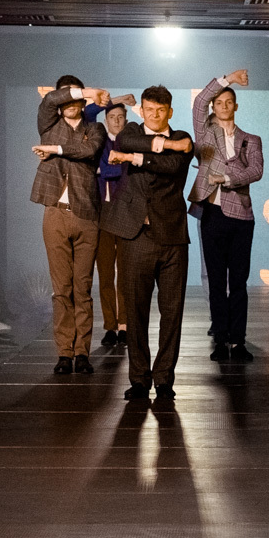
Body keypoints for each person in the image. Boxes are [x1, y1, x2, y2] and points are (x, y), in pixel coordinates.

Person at [103, 85, 194, 405]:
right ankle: (139, 379)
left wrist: (134, 158)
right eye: (149, 110)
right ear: (141, 110)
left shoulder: (184, 137)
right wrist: (162, 146)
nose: (155, 115)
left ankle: (164, 379)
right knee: (136, 312)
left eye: (161, 110)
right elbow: (126, 141)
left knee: (172, 312)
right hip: (135, 234)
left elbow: (172, 167)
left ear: (170, 112)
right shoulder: (131, 131)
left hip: (172, 236)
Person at [32, 77, 110, 375]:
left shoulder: (95, 129)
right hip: (55, 213)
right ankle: (64, 352)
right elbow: (49, 101)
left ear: (83, 103)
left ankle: (82, 352)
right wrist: (85, 91)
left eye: (75, 99)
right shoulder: (48, 124)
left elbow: (88, 152)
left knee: (83, 288)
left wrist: (54, 150)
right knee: (61, 289)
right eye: (65, 98)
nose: (69, 104)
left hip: (86, 215)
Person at [189, 70, 263, 361]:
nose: (223, 106)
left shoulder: (250, 139)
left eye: (228, 102)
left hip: (242, 216)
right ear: (214, 106)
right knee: (217, 280)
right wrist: (229, 78)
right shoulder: (205, 134)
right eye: (218, 102)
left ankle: (239, 341)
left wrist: (227, 178)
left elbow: (256, 170)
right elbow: (199, 102)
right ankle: (220, 339)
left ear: (236, 106)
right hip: (213, 212)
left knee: (239, 282)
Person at [95, 102, 132, 348]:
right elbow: (103, 170)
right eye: (112, 117)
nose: (116, 121)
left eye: (120, 117)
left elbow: (123, 172)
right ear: (106, 120)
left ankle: (124, 325)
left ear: (126, 120)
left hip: (126, 214)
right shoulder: (98, 142)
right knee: (106, 273)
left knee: (125, 275)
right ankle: (110, 325)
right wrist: (111, 168)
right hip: (102, 214)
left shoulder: (131, 143)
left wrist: (105, 169)